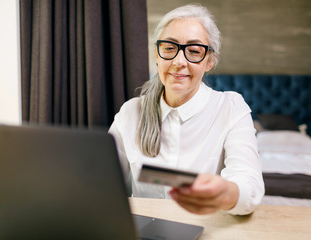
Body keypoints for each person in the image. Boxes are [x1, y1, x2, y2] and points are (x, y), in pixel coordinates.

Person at [109, 3, 264, 215]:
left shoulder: (230, 108)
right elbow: (102, 178)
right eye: (169, 48)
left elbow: (249, 183)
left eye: (193, 51)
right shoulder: (131, 112)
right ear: (157, 53)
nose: (178, 61)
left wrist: (227, 192)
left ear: (209, 61)